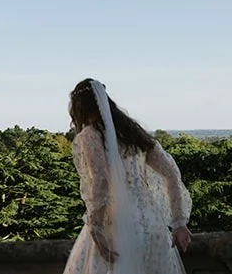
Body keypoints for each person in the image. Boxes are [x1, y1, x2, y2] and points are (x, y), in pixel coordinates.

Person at [64, 79, 192, 274]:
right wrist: (178, 223)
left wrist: (96, 227)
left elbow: (101, 181)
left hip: (116, 227)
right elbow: (171, 173)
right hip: (153, 227)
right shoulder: (134, 134)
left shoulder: (91, 134)